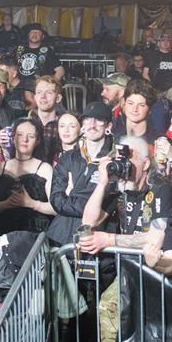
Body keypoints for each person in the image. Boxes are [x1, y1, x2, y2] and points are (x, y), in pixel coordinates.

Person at [79, 135, 172, 342]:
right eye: (121, 156)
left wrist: (110, 240)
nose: (124, 163)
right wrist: (102, 182)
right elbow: (88, 221)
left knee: (116, 308)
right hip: (129, 268)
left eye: (129, 157)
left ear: (145, 164)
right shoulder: (120, 187)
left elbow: (156, 237)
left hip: (159, 268)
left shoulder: (160, 187)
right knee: (110, 307)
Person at [47, 101, 114, 246]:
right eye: (87, 119)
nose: (92, 124)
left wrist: (72, 194)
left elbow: (108, 203)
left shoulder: (114, 162)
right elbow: (56, 201)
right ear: (82, 125)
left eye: (99, 119)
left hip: (96, 240)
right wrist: (91, 202)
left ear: (108, 126)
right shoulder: (68, 158)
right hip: (59, 235)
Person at [0, 118, 55, 235]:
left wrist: (32, 204)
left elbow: (55, 207)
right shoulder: (0, 167)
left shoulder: (45, 168)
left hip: (35, 234)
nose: (25, 139)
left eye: (31, 136)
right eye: (20, 135)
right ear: (13, 138)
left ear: (37, 141)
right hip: (2, 231)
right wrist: (6, 204)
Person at [112, 78, 161, 143]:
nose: (135, 109)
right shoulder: (113, 137)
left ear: (149, 108)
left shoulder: (156, 142)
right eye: (130, 103)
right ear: (123, 103)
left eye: (141, 105)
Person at [143, 33, 172, 102]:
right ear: (158, 43)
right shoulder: (151, 56)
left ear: (170, 43)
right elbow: (145, 74)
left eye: (168, 40)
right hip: (157, 90)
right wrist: (151, 87)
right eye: (163, 40)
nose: (165, 42)